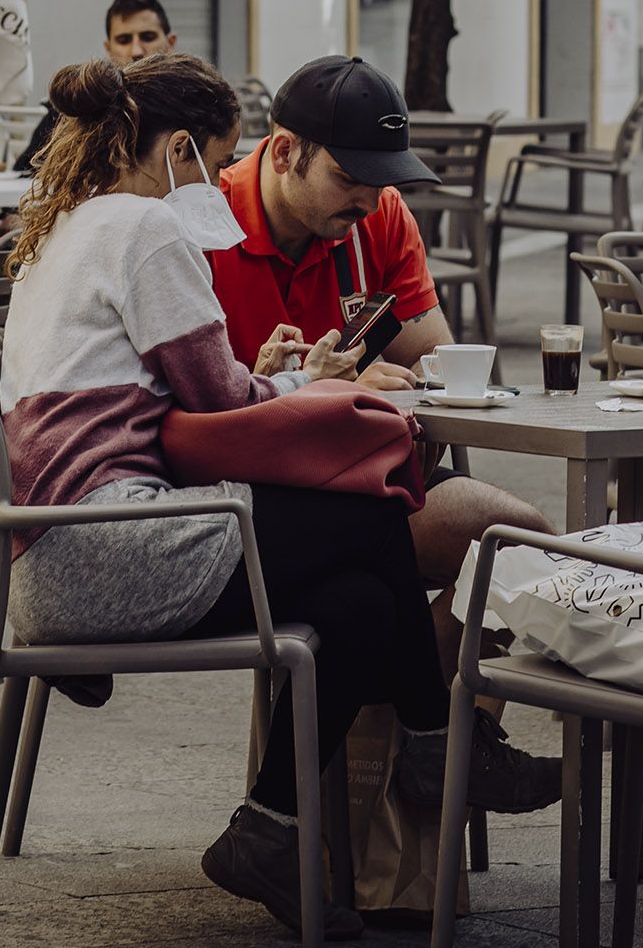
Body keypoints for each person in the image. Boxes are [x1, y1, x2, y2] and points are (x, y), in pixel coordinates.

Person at [0, 52, 556, 937]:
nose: (216, 183)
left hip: (55, 554)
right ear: (180, 149)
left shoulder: (74, 225)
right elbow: (219, 398)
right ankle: (434, 745)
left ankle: (268, 830)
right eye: (212, 160)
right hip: (106, 547)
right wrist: (311, 384)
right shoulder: (146, 229)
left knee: (364, 600)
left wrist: (276, 380)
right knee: (372, 513)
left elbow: (199, 386)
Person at [206, 56, 555, 657]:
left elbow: (438, 361)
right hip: (245, 505)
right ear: (286, 151)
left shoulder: (380, 218)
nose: (369, 199)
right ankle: (410, 726)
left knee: (525, 550)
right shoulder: (205, 222)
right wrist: (334, 389)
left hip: (362, 482)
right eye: (350, 178)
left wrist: (410, 384)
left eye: (383, 177)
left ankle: (433, 731)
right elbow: (190, 410)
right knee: (492, 552)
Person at [11, 0, 178, 172]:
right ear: (108, 48)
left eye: (148, 37)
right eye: (124, 40)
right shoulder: (78, 108)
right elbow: (25, 176)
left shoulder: (190, 105)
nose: (137, 50)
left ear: (170, 43)